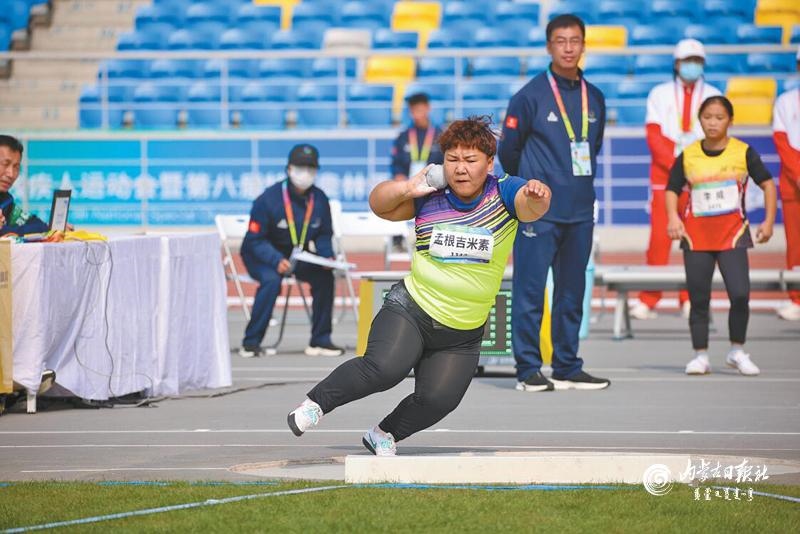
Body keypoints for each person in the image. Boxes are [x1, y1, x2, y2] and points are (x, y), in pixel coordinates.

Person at [286, 117, 551, 456]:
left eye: (470, 160)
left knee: (440, 399)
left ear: (489, 163)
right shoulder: (430, 194)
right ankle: (315, 404)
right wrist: (407, 189)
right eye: (452, 159)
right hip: (411, 309)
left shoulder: (504, 192)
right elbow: (378, 204)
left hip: (463, 330)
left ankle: (384, 433)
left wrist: (539, 195)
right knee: (384, 369)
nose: (460, 168)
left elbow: (532, 209)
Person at [498, 14, 609, 392]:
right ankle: (528, 368)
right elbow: (509, 152)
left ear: (583, 45)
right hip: (538, 212)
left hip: (580, 210)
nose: (568, 48)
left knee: (572, 292)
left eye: (574, 40)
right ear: (549, 46)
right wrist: (528, 192)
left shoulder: (595, 97)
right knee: (530, 292)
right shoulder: (529, 96)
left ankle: (566, 365)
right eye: (560, 41)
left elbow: (592, 146)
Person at [666, 96, 777, 376]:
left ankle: (737, 351)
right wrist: (673, 218)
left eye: (719, 117)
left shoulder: (743, 152)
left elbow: (767, 184)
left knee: (739, 294)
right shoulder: (688, 155)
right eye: (707, 117)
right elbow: (671, 189)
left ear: (730, 121)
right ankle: (700, 355)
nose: (713, 123)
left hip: (732, 236)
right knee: (698, 299)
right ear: (700, 120)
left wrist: (768, 221)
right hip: (696, 238)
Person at [629, 40, 723, 320]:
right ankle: (649, 298)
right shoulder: (659, 94)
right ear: (676, 63)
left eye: (697, 60)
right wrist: (679, 163)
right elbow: (654, 136)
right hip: (665, 178)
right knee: (659, 239)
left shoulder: (714, 95)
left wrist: (696, 164)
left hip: (700, 180)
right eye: (687, 60)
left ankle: (691, 298)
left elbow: (718, 135)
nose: (692, 65)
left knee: (697, 242)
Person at [239, 144, 344, 358]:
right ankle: (251, 342)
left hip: (296, 255)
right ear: (288, 169)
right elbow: (255, 240)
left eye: (311, 168)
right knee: (271, 280)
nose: (305, 173)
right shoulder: (268, 199)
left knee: (325, 277)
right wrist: (275, 259)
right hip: (261, 255)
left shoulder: (319, 199)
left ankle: (320, 340)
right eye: (300, 167)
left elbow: (324, 234)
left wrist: (327, 257)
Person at [389, 92, 445, 251]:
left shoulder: (440, 135)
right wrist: (399, 177)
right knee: (397, 194)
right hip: (409, 183)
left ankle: (429, 238)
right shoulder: (403, 136)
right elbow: (396, 162)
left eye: (420, 110)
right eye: (413, 111)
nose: (417, 115)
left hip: (433, 184)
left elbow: (446, 162)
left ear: (428, 109)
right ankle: (398, 240)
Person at [772, 46, 800, 321]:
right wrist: (798, 174)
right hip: (794, 185)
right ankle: (797, 298)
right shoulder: (785, 101)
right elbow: (781, 142)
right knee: (796, 242)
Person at [0, 135, 49, 236]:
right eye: (5, 164)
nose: (11, 174)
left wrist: (50, 228)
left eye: (16, 167)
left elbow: (31, 222)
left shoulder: (6, 201)